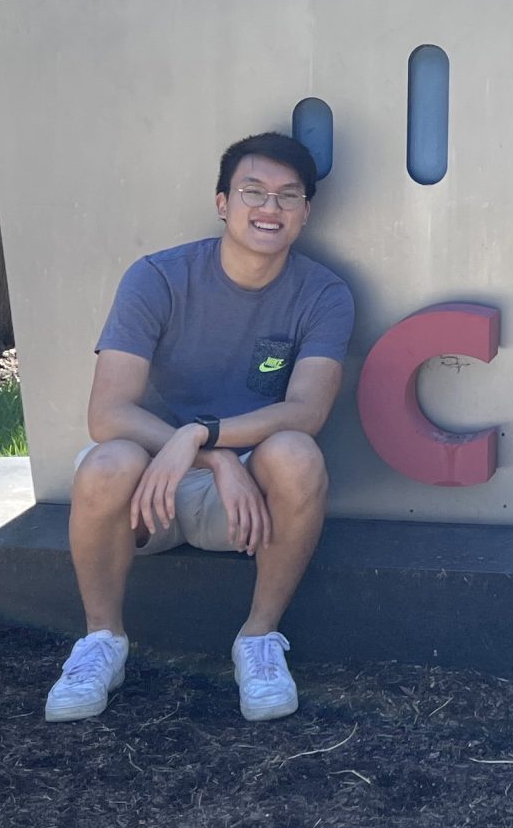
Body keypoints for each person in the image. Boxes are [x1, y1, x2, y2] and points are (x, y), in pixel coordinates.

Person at [44, 133, 356, 724]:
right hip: (151, 492)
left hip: (244, 505)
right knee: (107, 459)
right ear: (222, 202)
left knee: (296, 453)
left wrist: (203, 435)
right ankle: (100, 644)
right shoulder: (157, 278)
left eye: (288, 197)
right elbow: (108, 412)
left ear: (305, 213)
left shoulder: (323, 294)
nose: (270, 208)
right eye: (253, 192)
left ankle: (259, 641)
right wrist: (206, 450)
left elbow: (306, 411)